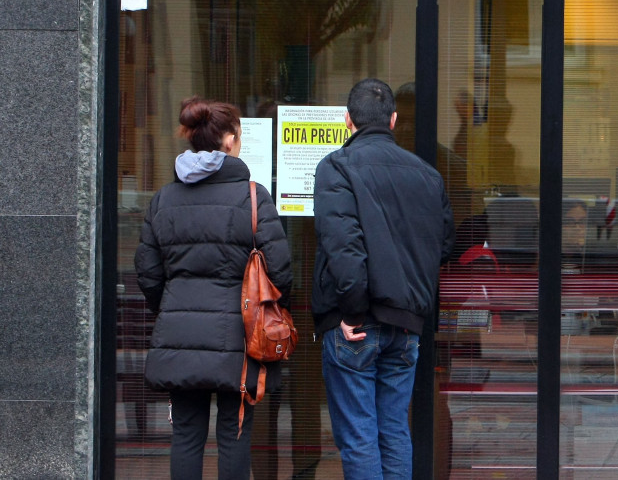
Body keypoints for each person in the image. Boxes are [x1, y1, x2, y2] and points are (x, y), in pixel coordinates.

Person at [135, 97, 292, 480]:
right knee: (234, 433)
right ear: (228, 140)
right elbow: (282, 272)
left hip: (179, 332)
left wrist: (171, 307)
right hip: (240, 337)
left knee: (186, 435)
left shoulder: (164, 200)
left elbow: (148, 273)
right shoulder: (253, 197)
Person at [312, 78, 455, 479]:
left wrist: (353, 312)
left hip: (357, 324)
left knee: (358, 436)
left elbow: (342, 246)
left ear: (347, 121)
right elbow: (443, 245)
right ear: (392, 120)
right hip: (406, 323)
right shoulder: (427, 175)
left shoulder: (336, 167)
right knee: (393, 430)